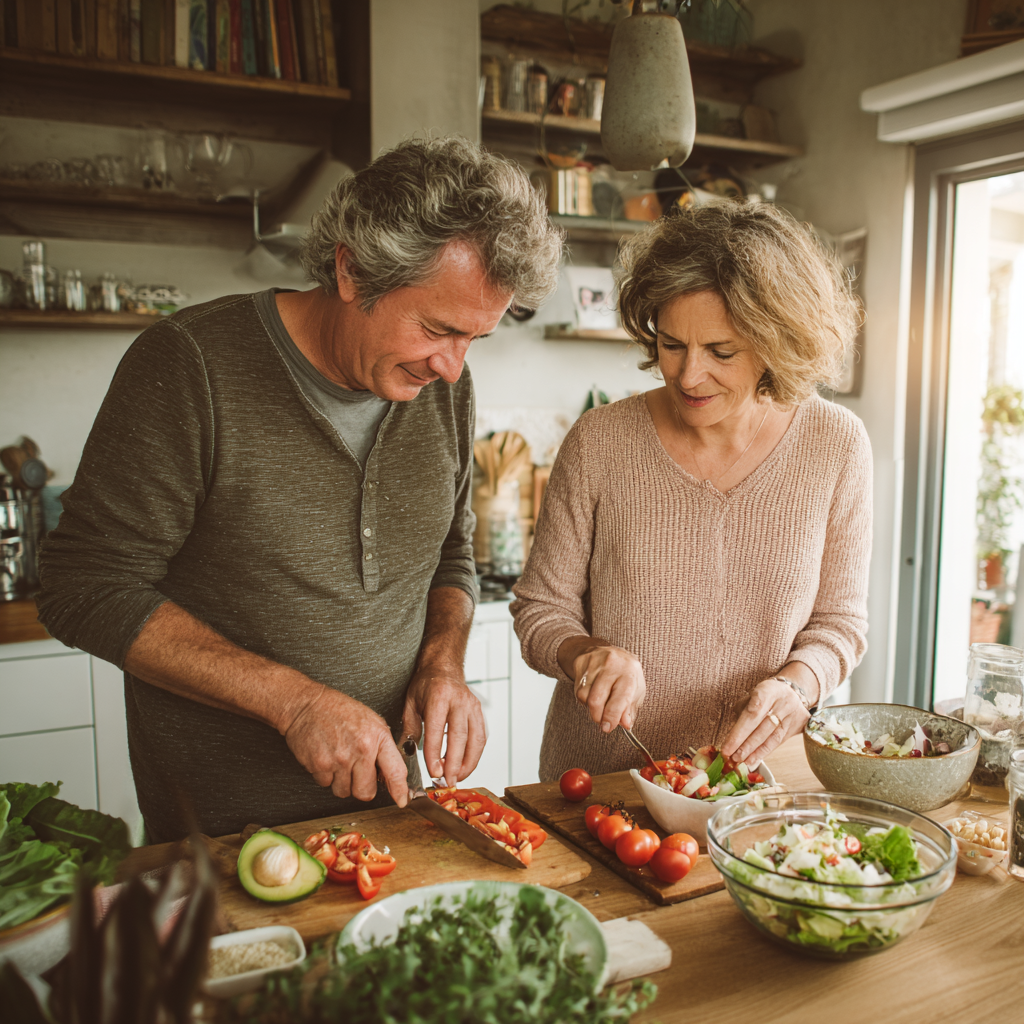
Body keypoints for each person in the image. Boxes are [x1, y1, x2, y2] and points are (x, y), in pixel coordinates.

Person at [37, 137, 563, 842]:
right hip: (223, 836)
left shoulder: (447, 389)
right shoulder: (192, 365)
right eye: (438, 329)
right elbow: (83, 585)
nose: (451, 367)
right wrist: (294, 703)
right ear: (351, 271)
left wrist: (443, 662)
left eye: (476, 339)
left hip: (395, 820)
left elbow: (449, 554)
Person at [511, 199, 871, 782]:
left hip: (753, 785)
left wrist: (797, 686)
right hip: (599, 785)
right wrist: (586, 655)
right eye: (671, 344)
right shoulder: (601, 440)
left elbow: (839, 624)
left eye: (720, 352)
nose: (687, 374)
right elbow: (540, 610)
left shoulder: (836, 444)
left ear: (777, 344)